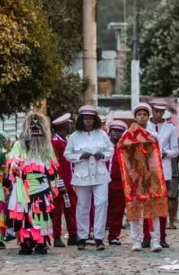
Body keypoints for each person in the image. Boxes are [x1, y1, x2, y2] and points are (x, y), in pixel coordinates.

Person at [117, 103, 168, 252]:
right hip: (134, 177)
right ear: (135, 117)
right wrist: (133, 172)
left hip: (151, 176)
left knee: (154, 210)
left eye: (145, 114)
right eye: (139, 114)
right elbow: (123, 152)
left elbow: (156, 156)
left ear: (148, 116)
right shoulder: (127, 134)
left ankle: (155, 240)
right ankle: (136, 241)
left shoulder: (153, 135)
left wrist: (150, 173)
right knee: (135, 209)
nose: (142, 117)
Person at [7, 112, 59, 255]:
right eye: (32, 127)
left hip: (42, 187)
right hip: (23, 187)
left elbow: (53, 168)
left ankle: (41, 242)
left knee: (41, 214)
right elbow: (12, 158)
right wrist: (14, 166)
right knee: (24, 215)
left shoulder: (47, 147)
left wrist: (54, 187)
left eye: (38, 127)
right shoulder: (19, 144)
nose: (35, 130)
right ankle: (26, 243)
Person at [64, 105, 114, 251]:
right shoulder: (74, 137)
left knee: (101, 203)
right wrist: (80, 156)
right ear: (81, 120)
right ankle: (83, 237)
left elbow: (110, 149)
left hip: (100, 174)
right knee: (82, 206)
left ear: (95, 120)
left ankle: (99, 238)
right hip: (82, 175)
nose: (88, 121)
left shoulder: (102, 135)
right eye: (86, 118)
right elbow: (67, 154)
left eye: (91, 119)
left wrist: (103, 155)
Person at [144, 99, 179, 248]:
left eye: (161, 111)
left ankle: (162, 236)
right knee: (147, 203)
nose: (159, 114)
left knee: (161, 204)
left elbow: (175, 150)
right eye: (156, 111)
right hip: (146, 170)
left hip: (163, 171)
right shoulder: (145, 125)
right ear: (152, 111)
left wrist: (166, 153)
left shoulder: (170, 128)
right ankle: (147, 236)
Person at [50, 113, 79, 248]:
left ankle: (73, 234)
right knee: (57, 212)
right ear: (62, 126)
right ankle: (56, 236)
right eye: (68, 124)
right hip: (60, 182)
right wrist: (60, 183)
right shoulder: (54, 142)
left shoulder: (65, 141)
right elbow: (55, 163)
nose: (70, 126)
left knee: (71, 208)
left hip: (70, 182)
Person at [106, 120, 128, 245]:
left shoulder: (125, 148)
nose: (117, 134)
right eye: (114, 131)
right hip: (103, 181)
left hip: (119, 182)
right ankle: (95, 233)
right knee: (100, 208)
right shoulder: (104, 146)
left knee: (118, 210)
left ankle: (114, 235)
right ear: (109, 132)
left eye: (120, 132)